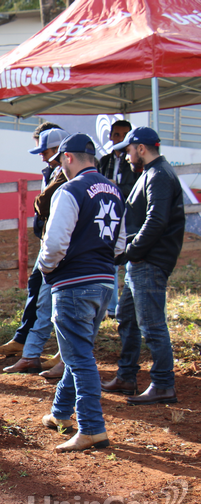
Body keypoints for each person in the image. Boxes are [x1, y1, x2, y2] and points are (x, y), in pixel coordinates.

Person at [38, 133, 125, 452]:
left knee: (79, 355)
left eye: (61, 159)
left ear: (69, 157)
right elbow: (119, 243)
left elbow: (55, 243)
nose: (60, 166)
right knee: (80, 350)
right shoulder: (115, 191)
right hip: (104, 281)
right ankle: (60, 413)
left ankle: (91, 427)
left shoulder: (69, 190)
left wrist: (47, 268)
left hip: (75, 282)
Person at [102, 126, 185, 405]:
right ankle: (126, 377)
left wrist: (132, 251)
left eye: (128, 149)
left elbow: (157, 220)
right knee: (127, 318)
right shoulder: (151, 173)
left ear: (141, 148)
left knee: (151, 325)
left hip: (149, 261)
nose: (125, 155)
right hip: (142, 260)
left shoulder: (159, 175)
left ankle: (163, 384)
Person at [0, 122, 65, 358]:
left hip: (60, 244)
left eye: (44, 152)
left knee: (49, 297)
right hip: (48, 241)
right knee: (38, 288)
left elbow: (42, 203)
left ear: (58, 149)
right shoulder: (53, 172)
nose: (43, 158)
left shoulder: (65, 175)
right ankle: (26, 342)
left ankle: (35, 351)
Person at [98, 120, 141, 318]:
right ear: (110, 136)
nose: (120, 139)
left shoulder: (134, 162)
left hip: (129, 217)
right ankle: (112, 307)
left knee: (130, 261)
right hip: (108, 216)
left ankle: (129, 308)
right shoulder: (104, 161)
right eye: (117, 134)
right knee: (110, 259)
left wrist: (115, 187)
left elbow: (135, 190)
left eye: (124, 135)